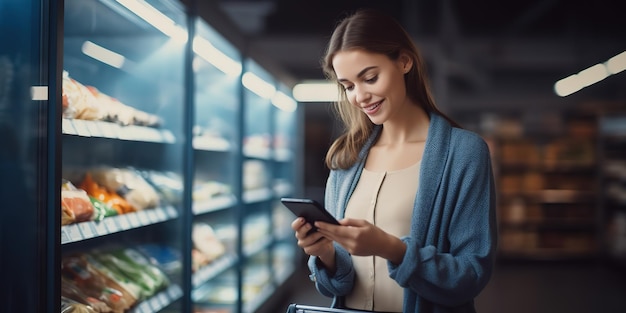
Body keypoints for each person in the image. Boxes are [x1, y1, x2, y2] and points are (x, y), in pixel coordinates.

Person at [291, 8, 497, 313]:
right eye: (348, 86)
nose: (360, 96)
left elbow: (471, 275)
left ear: (404, 61)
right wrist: (325, 254)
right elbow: (335, 285)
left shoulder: (464, 153)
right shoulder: (346, 159)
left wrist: (390, 248)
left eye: (370, 78)